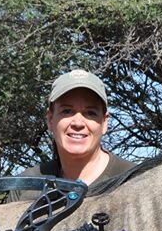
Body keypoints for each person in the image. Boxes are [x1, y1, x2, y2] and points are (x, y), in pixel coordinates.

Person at [10, 69, 135, 202]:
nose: (78, 123)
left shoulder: (134, 180)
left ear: (104, 123)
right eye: (67, 111)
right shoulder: (26, 184)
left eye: (90, 113)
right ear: (50, 119)